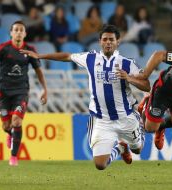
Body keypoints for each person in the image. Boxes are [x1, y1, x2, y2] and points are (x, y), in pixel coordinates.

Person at [21, 24, 150, 170]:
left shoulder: (128, 63)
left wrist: (129, 78)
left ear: (118, 42)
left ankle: (132, 133)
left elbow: (146, 85)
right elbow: (67, 56)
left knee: (138, 149)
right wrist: (40, 56)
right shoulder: (90, 58)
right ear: (100, 41)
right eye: (105, 39)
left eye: (111, 40)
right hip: (102, 120)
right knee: (100, 165)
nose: (108, 42)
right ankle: (120, 149)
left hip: (126, 117)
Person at [0, 21, 48, 166]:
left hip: (21, 92)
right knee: (6, 126)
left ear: (25, 34)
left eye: (21, 30)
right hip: (4, 93)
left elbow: (39, 71)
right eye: (16, 30)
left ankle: (14, 157)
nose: (19, 32)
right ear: (11, 33)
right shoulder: (3, 48)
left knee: (17, 121)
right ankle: (10, 134)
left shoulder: (30, 50)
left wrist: (45, 89)